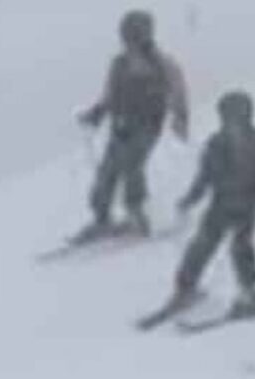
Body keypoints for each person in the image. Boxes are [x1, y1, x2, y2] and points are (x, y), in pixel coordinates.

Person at [166, 90, 255, 316]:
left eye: (239, 115)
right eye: (230, 116)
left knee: (240, 246)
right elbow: (204, 176)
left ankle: (250, 291)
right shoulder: (218, 143)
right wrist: (191, 199)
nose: (234, 122)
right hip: (223, 202)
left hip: (248, 203)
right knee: (203, 244)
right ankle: (186, 287)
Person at [76, 9, 190, 242]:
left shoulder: (161, 63)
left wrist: (180, 118)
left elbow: (178, 90)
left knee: (131, 166)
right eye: (127, 34)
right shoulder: (118, 64)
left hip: (146, 126)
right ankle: (101, 217)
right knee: (107, 172)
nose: (129, 40)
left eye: (134, 34)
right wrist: (96, 114)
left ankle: (137, 212)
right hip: (121, 127)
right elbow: (110, 95)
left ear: (146, 34)